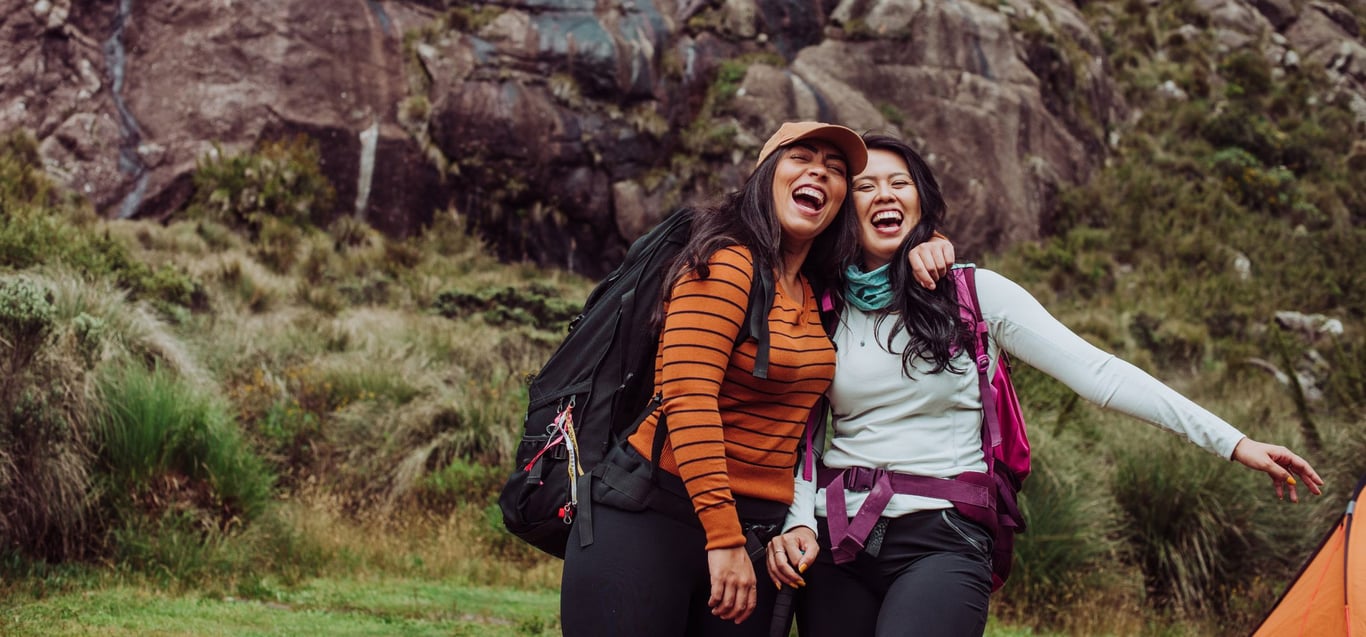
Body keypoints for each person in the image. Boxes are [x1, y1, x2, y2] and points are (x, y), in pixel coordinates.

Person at [763, 133, 1325, 637]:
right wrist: (796, 523)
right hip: (835, 541)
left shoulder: (974, 294)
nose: (884, 194)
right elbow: (806, 434)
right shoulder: (821, 303)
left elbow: (1099, 373)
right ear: (845, 208)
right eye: (865, 185)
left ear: (921, 201)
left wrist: (1233, 441)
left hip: (942, 539)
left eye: (899, 183)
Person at [559, 122, 953, 636]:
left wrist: (930, 243)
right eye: (801, 158)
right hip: (656, 514)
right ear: (766, 176)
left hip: (758, 533)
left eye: (835, 170)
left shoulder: (818, 290)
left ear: (840, 205)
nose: (819, 172)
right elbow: (688, 394)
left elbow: (884, 264)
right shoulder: (726, 261)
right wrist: (723, 540)